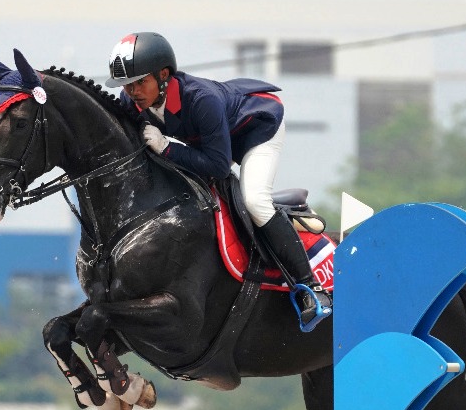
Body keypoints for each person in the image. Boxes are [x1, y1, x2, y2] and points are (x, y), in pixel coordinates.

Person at [105, 32, 332, 332]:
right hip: (215, 139)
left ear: (163, 75)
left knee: (255, 201)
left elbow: (218, 165)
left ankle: (311, 288)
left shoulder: (201, 99)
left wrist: (166, 147)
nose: (132, 91)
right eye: (127, 85)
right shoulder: (132, 101)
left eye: (139, 82)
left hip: (257, 128)